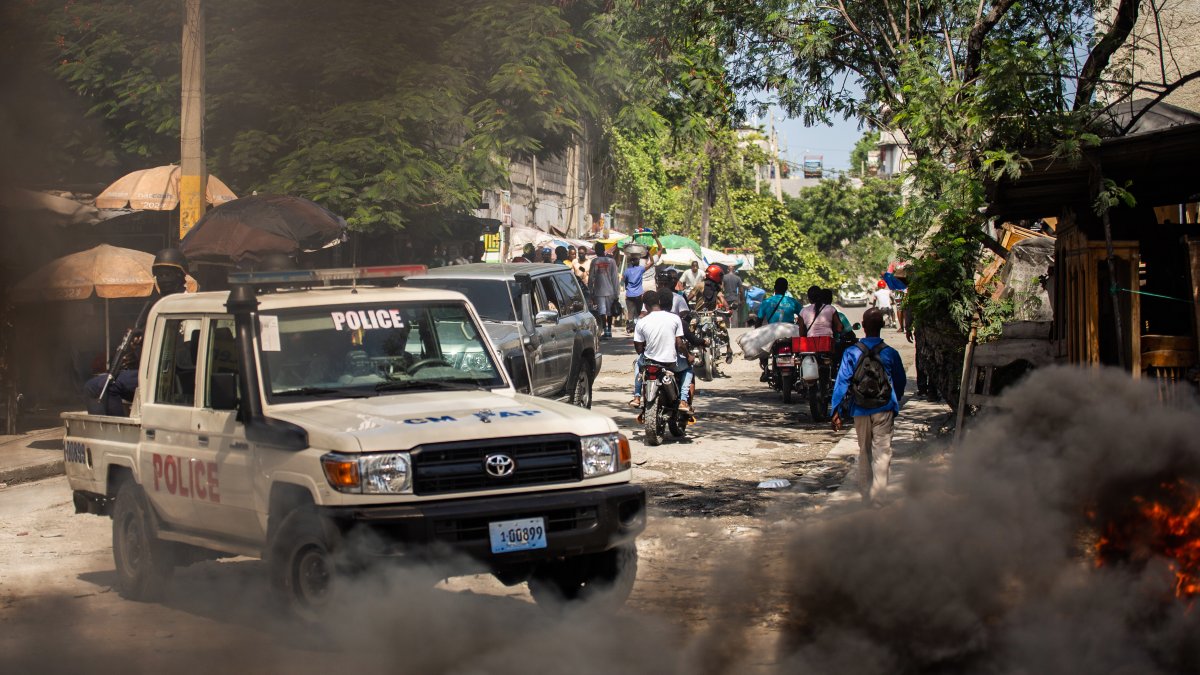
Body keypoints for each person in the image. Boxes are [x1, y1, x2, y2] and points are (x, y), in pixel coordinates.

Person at [85, 248, 192, 416]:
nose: (163, 280)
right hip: (151, 371)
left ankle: (115, 433)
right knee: (101, 383)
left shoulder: (189, 305)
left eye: (168, 274)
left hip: (170, 375)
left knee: (97, 387)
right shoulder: (156, 305)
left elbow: (185, 354)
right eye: (159, 275)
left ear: (180, 275)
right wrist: (135, 348)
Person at [830, 308, 907, 508]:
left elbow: (842, 382)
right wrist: (893, 402)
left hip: (859, 409)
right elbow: (900, 382)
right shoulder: (891, 353)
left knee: (864, 451)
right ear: (882, 326)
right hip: (884, 408)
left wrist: (836, 410)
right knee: (882, 452)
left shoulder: (852, 352)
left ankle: (865, 498)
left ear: (863, 327)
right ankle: (879, 498)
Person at [631, 289, 695, 413]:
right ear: (659, 302)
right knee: (688, 369)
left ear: (645, 305)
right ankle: (683, 401)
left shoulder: (641, 322)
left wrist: (645, 352)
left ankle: (637, 396)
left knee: (638, 364)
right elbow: (679, 343)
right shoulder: (674, 318)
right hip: (670, 362)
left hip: (649, 361)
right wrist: (688, 356)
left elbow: (638, 348)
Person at [754, 277, 802, 381]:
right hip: (790, 332)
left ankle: (765, 370)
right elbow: (804, 316)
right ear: (786, 289)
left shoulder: (766, 302)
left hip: (772, 332)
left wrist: (757, 333)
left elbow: (759, 321)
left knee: (763, 349)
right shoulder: (792, 302)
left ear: (774, 288)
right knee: (799, 350)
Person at [587, 241, 620, 339]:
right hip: (610, 291)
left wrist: (590, 291)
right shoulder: (612, 261)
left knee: (602, 312)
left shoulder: (595, 262)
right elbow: (615, 279)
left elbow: (591, 278)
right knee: (609, 312)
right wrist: (616, 293)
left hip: (599, 291)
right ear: (604, 250)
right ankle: (608, 331)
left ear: (597, 251)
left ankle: (606, 331)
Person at [622, 254, 647, 334]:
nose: (638, 261)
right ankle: (637, 327)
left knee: (630, 312)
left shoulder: (627, 271)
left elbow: (624, 281)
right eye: (637, 260)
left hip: (629, 294)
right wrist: (648, 252)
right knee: (638, 311)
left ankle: (630, 328)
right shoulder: (641, 269)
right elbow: (652, 262)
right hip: (639, 294)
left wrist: (627, 288)